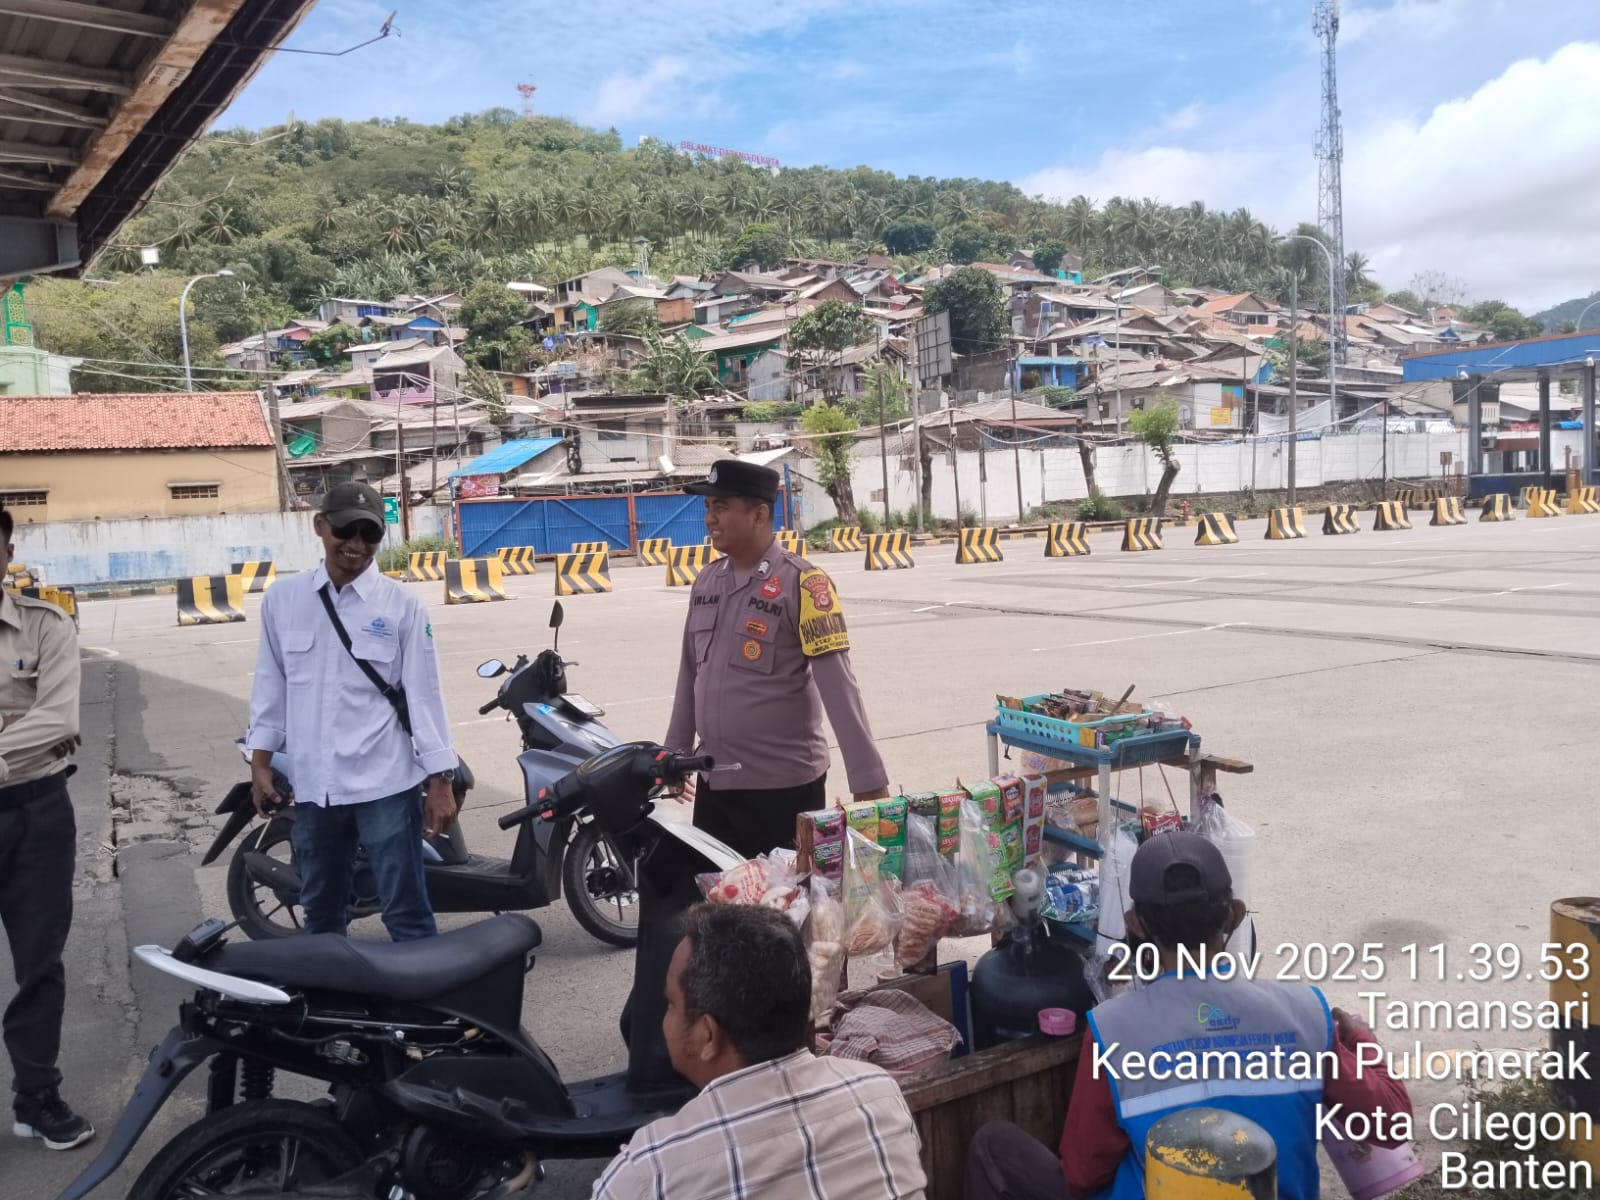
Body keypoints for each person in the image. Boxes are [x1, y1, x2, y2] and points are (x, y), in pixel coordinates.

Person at [964, 830, 1412, 1200]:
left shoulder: (1113, 1030)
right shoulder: (1307, 1015)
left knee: (993, 1145)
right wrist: (1361, 1040)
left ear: (1135, 924)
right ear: (1234, 915)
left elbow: (1082, 1175)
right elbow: (1392, 1125)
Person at [594, 904, 927, 1200]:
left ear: (707, 1035)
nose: (664, 1019)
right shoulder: (878, 1093)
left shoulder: (647, 1174)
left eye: (671, 1004)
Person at [245, 482, 457, 942]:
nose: (357, 544)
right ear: (320, 526)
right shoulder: (284, 600)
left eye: (370, 534)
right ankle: (329, 987)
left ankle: (420, 987)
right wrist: (260, 763)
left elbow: (425, 696)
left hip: (385, 783)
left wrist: (441, 780)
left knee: (406, 914)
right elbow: (270, 685)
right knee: (321, 913)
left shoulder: (402, 605)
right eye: (346, 530)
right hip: (315, 787)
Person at [665, 459, 889, 860]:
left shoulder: (803, 583)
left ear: (759, 514)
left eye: (721, 507)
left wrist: (868, 779)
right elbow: (689, 672)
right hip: (715, 786)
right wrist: (675, 755)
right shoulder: (707, 582)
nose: (710, 518)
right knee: (718, 896)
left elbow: (840, 688)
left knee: (784, 898)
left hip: (783, 791)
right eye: (708, 507)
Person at [0, 505, 94, 1150]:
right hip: (27, 778)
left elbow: (58, 719)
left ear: (8, 552)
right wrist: (18, 734)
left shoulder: (45, 625)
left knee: (39, 964)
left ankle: (37, 1097)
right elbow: (36, 728)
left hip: (36, 814)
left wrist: (31, 734)